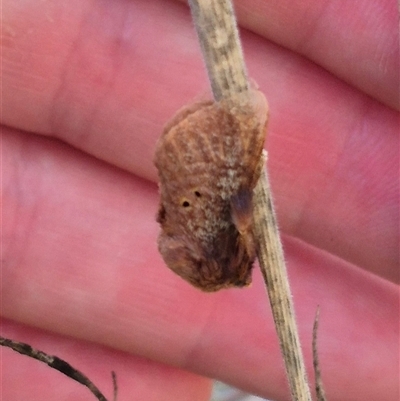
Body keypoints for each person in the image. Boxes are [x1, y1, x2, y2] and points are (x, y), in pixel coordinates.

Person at [1, 0, 398, 400]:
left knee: (245, 120)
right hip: (215, 179)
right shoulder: (223, 245)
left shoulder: (222, 246)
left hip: (214, 182)